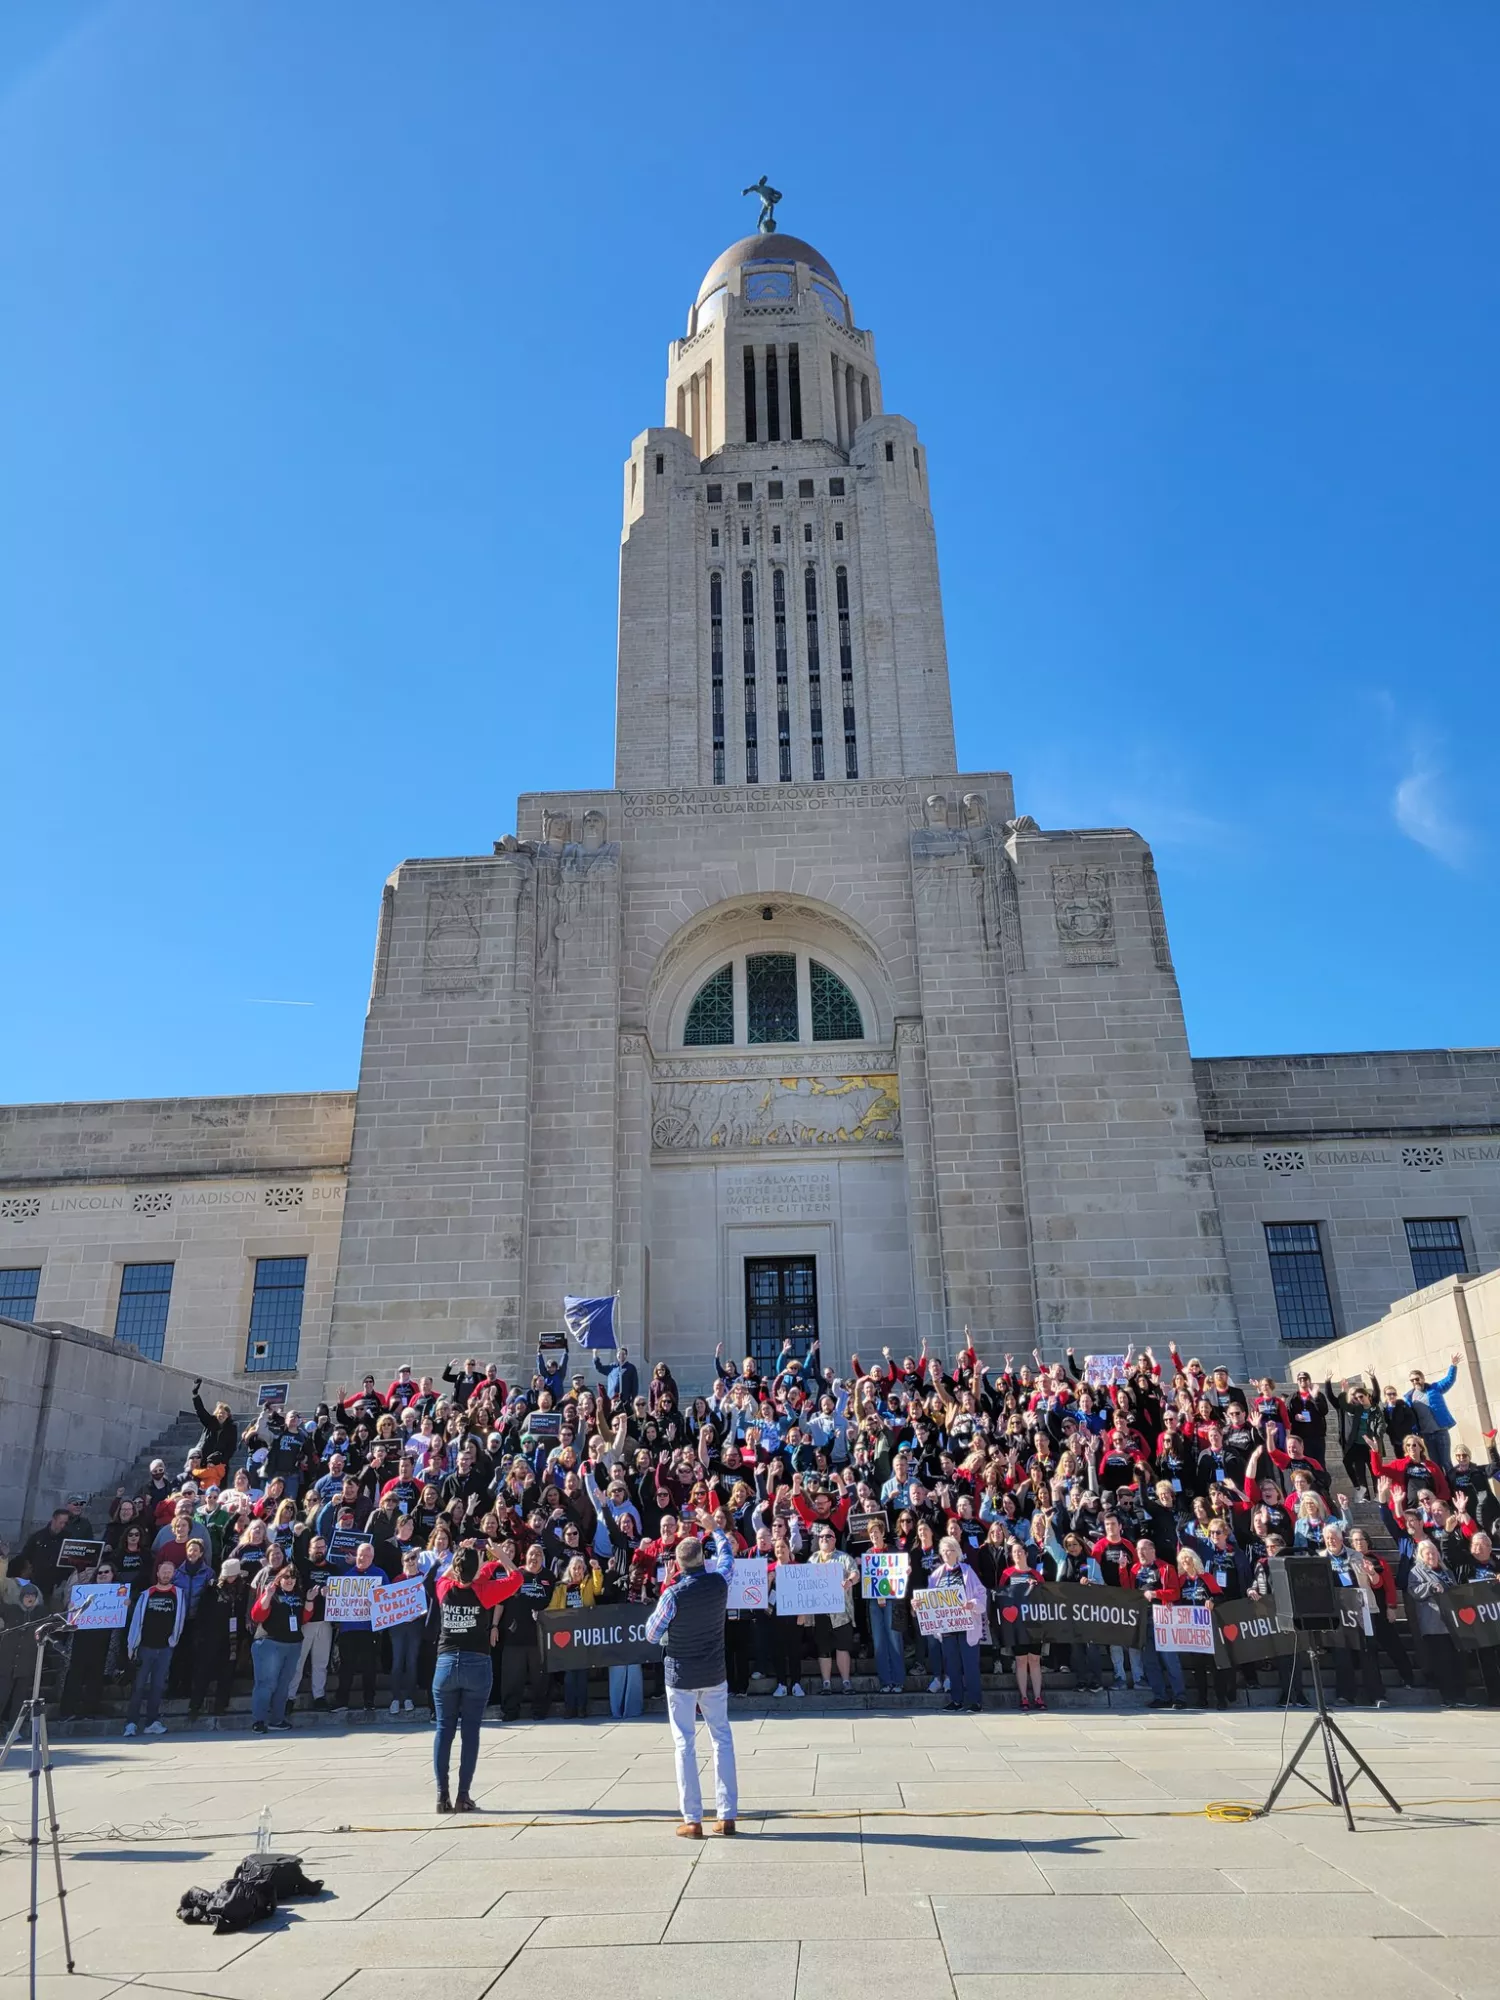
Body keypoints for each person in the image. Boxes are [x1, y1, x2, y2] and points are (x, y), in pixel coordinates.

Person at [644, 1525, 738, 1838]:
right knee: (721, 1738)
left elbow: (652, 1633)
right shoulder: (719, 1581)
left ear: (679, 1564)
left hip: (681, 1675)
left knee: (684, 1744)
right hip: (714, 1672)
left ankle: (693, 1818)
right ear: (703, 1559)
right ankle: (726, 1816)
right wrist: (718, 1532)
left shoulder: (672, 1593)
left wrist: (670, 1582)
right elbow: (728, 1559)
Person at [432, 1544, 524, 1811]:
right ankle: (463, 1795)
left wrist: (463, 1554)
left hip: (446, 1663)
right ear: (477, 1570)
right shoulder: (484, 1593)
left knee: (443, 1730)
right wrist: (500, 1555)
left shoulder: (444, 1589)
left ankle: (441, 1795)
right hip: (476, 1663)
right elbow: (516, 1578)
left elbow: (446, 1576)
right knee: (470, 1732)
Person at [123, 1560, 184, 1736]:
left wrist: (173, 1640)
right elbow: (136, 1622)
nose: (166, 1574)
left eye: (169, 1571)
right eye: (163, 1571)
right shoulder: (146, 1594)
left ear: (173, 1574)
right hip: (145, 1647)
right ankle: (131, 1723)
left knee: (157, 1686)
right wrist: (132, 1645)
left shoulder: (178, 1594)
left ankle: (152, 1721)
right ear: (157, 1573)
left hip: (165, 1648)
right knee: (139, 1686)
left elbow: (179, 1619)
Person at [249, 1561, 306, 1732]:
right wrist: (267, 1595)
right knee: (266, 1683)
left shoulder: (299, 1595)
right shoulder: (272, 1593)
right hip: (270, 1644)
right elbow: (257, 1615)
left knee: (284, 1684)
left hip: (293, 1644)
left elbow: (304, 1617)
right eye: (286, 1577)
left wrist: (310, 1600)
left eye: (293, 1577)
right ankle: (259, 1720)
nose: (290, 1580)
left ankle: (277, 1719)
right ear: (279, 1579)